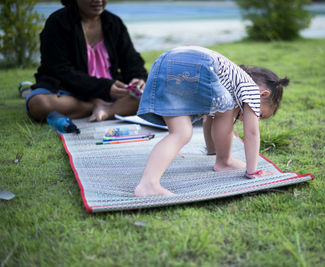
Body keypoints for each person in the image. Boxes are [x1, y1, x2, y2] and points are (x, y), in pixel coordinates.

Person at [134, 46, 289, 197]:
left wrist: (211, 150)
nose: (253, 117)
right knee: (226, 110)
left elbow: (209, 118)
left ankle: (149, 182)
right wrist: (253, 171)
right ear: (263, 94)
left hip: (165, 60)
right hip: (201, 63)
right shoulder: (251, 89)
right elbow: (252, 133)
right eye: (260, 115)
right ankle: (224, 161)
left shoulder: (225, 83)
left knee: (181, 133)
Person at [26, 0, 148, 122]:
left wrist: (138, 78)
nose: (98, 0)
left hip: (111, 93)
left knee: (153, 97)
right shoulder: (58, 22)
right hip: (71, 93)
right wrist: (104, 88)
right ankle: (94, 107)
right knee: (39, 104)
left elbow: (132, 60)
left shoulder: (114, 23)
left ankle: (106, 111)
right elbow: (59, 69)